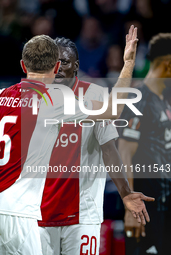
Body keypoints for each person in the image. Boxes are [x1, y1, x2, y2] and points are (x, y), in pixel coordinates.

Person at [0, 27, 141, 255]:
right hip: (19, 211)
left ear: (23, 66)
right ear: (55, 67)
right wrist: (127, 63)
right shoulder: (54, 100)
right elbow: (114, 109)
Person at [39, 37, 154, 255]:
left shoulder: (94, 94)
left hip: (83, 214)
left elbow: (109, 149)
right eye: (53, 62)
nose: (58, 68)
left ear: (76, 66)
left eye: (64, 61)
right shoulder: (37, 97)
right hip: (39, 213)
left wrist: (126, 192)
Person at [119, 33, 171, 255]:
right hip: (148, 211)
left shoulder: (164, 98)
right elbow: (124, 152)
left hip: (165, 207)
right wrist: (130, 208)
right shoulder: (139, 98)